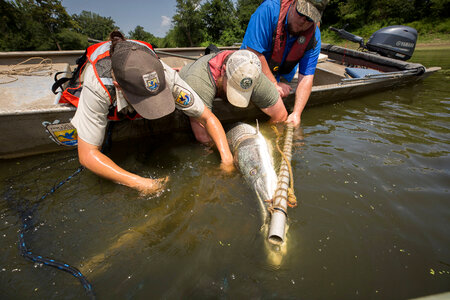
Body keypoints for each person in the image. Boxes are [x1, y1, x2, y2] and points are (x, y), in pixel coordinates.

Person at [71, 31, 234, 195]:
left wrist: (227, 160)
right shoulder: (97, 85)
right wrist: (139, 182)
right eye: (144, 99)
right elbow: (87, 154)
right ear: (118, 86)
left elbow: (206, 117)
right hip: (101, 83)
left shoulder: (166, 75)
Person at [241, 0, 329, 127]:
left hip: (282, 72)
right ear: (293, 3)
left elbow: (306, 77)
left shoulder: (314, 35)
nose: (303, 21)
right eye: (301, 12)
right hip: (250, 66)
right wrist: (273, 84)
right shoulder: (268, 10)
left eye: (310, 19)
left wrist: (297, 113)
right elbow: (253, 54)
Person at [178, 49, 287, 144]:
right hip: (192, 80)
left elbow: (281, 115)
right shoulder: (198, 82)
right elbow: (203, 136)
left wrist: (263, 139)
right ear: (224, 70)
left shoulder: (251, 73)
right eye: (234, 87)